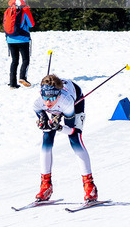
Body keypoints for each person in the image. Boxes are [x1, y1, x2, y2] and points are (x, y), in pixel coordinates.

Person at [33, 74, 97, 203]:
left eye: (52, 98)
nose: (48, 102)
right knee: (47, 138)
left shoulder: (66, 102)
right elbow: (44, 119)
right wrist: (44, 123)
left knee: (75, 140)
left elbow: (71, 130)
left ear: (58, 95)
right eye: (45, 97)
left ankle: (89, 186)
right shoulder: (38, 103)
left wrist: (59, 127)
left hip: (75, 102)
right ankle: (46, 185)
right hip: (58, 106)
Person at [3, 0, 34, 88]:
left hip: (10, 39)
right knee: (25, 59)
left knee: (14, 61)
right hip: (22, 39)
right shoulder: (24, 10)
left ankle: (12, 83)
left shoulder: (8, 10)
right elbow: (31, 24)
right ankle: (22, 77)